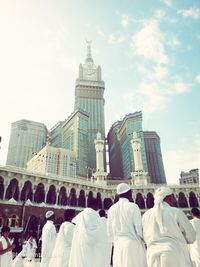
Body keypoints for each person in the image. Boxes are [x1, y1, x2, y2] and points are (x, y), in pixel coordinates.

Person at [142, 186, 196, 267]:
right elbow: (191, 236)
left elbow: (144, 237)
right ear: (169, 198)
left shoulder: (146, 215)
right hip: (174, 253)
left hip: (152, 256)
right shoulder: (176, 212)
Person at [107, 183, 147, 267]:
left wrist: (115, 242)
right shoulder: (133, 207)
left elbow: (109, 232)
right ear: (128, 193)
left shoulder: (111, 209)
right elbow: (139, 229)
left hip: (118, 247)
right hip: (132, 245)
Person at [69, 198, 102, 267]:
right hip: (91, 246)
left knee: (80, 262)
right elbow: (99, 231)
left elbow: (73, 222)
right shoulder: (95, 215)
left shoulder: (81, 214)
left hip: (79, 243)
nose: (98, 209)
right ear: (94, 206)